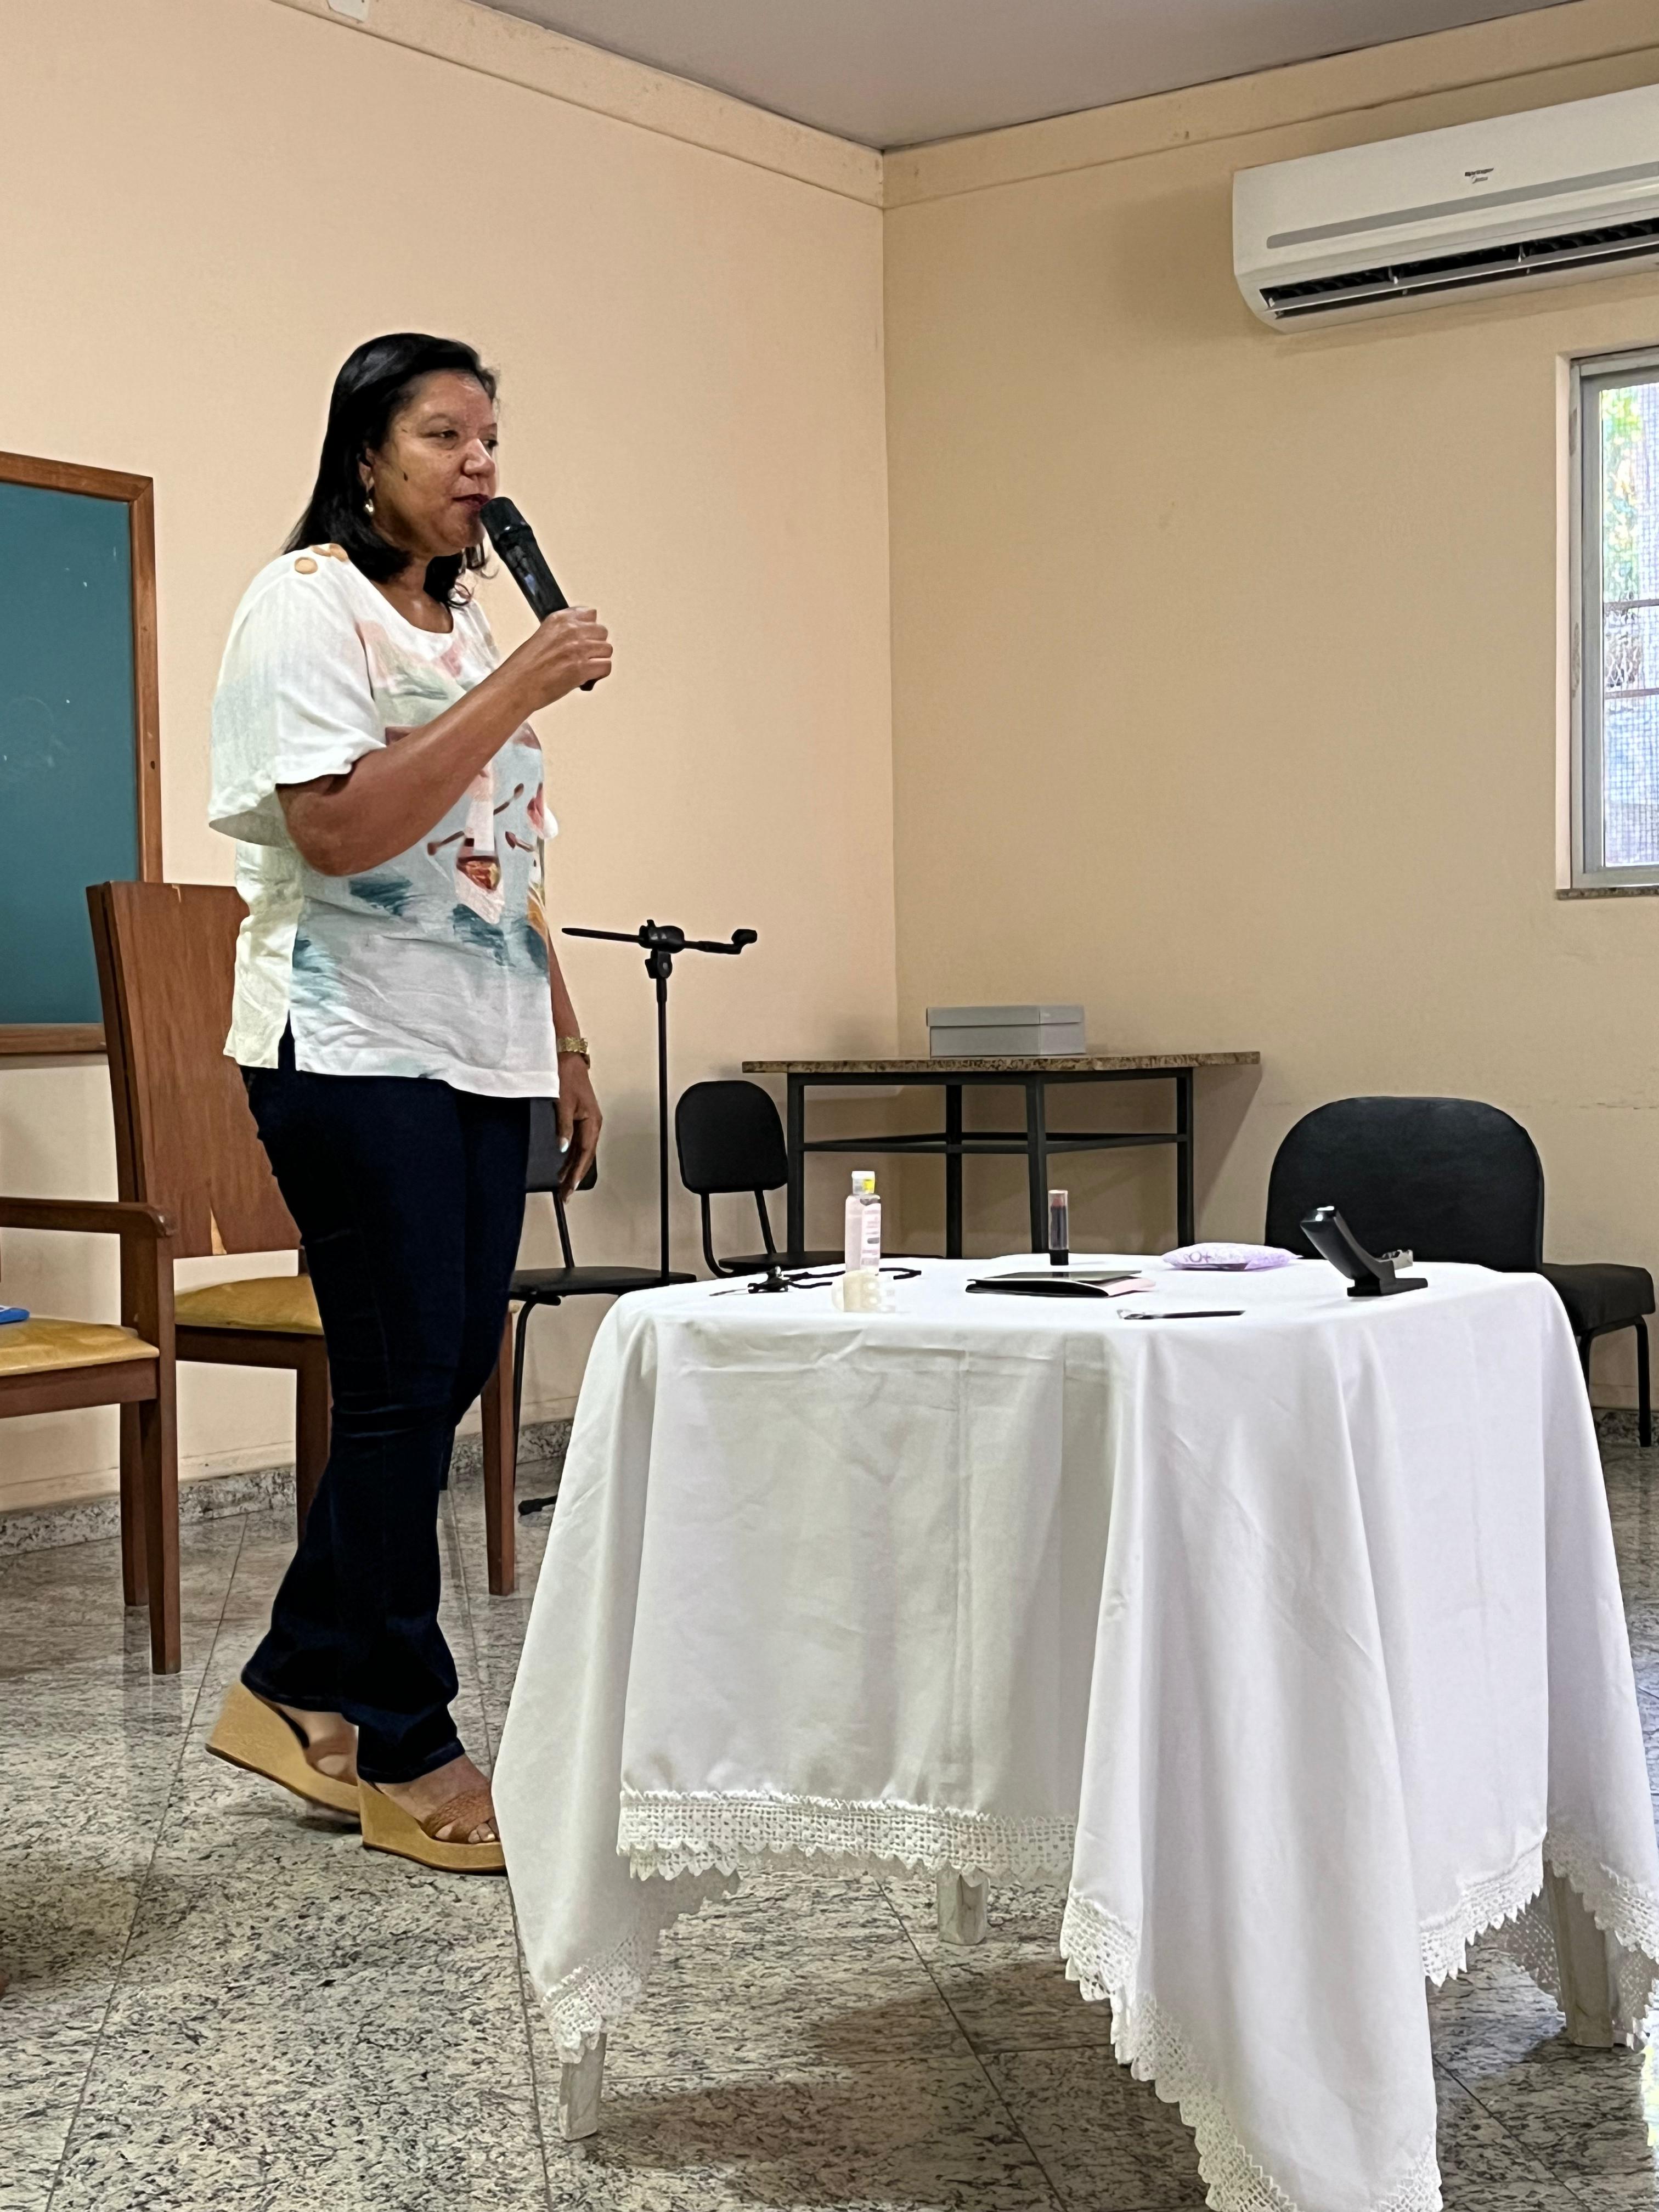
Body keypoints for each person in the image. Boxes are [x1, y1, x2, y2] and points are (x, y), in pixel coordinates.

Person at [205, 333, 611, 1873]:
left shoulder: (463, 631)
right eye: (445, 435)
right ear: (366, 454)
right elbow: (343, 832)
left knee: (441, 1367)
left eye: (493, 438)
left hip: (479, 1041)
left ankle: (296, 1676)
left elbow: (503, 868)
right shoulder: (305, 606)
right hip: (349, 1040)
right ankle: (405, 1735)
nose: (480, 467)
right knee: (395, 1385)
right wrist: (521, 679)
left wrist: (561, 1039)